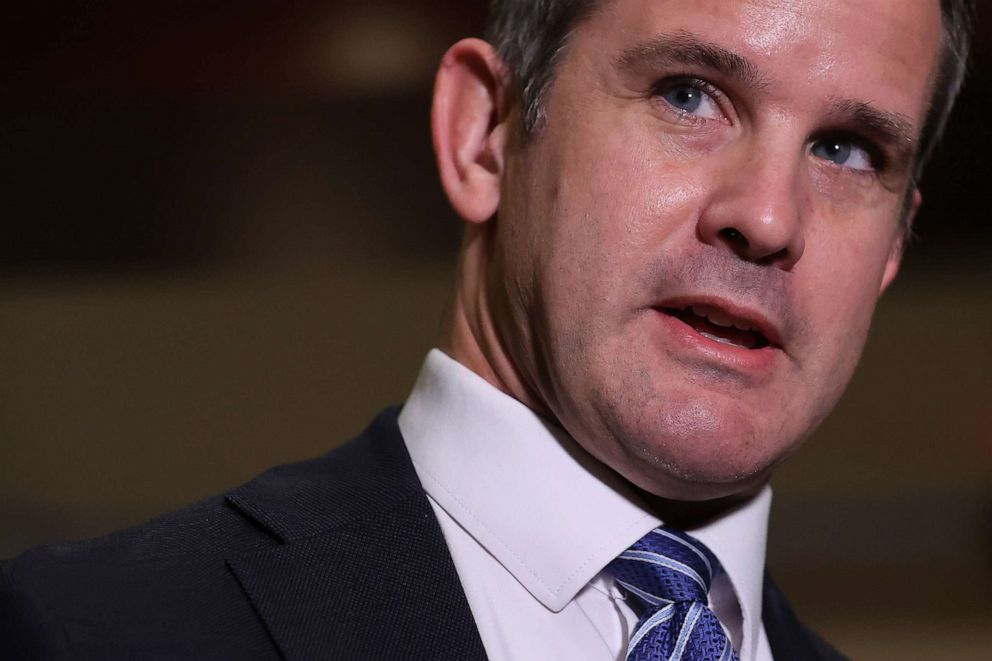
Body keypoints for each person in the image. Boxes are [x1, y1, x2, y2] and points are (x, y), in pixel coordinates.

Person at [0, 0, 976, 659]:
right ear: (485, 134)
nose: (766, 217)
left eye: (846, 150)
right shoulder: (85, 632)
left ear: (892, 248)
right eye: (687, 94)